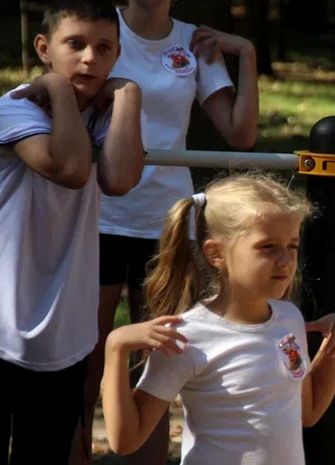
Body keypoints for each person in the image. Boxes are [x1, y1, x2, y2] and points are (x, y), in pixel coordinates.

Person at [77, 0, 260, 461]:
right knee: (85, 358)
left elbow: (240, 135)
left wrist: (249, 55)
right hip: (99, 215)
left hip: (168, 222)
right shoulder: (101, 29)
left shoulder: (193, 41)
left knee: (158, 362)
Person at [101, 174, 335, 465]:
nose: (286, 260)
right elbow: (126, 440)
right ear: (216, 253)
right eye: (268, 247)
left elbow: (307, 413)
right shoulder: (186, 337)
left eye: (292, 245)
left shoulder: (289, 319)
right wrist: (115, 348)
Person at [0, 0, 144, 462]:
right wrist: (58, 91)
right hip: (4, 321)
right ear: (44, 48)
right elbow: (70, 168)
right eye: (75, 45)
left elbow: (119, 180)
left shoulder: (105, 113)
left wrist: (129, 97)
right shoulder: (15, 107)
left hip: (64, 329)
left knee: (44, 452)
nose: (90, 59)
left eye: (104, 49)